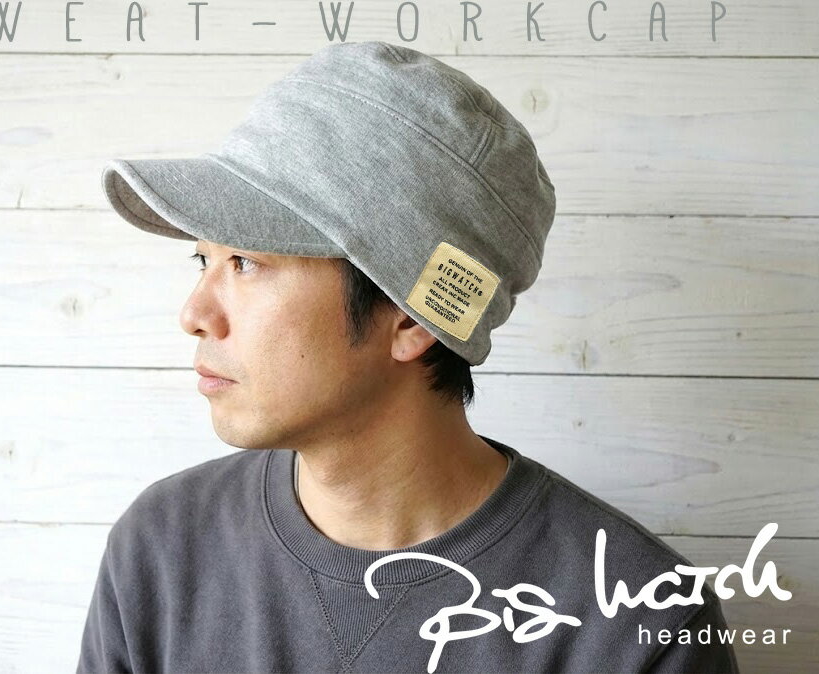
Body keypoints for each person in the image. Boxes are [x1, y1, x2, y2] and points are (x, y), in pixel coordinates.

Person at [78, 41, 739, 673]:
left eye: (246, 262)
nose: (194, 314)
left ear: (410, 317)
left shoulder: (636, 625)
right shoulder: (164, 549)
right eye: (203, 260)